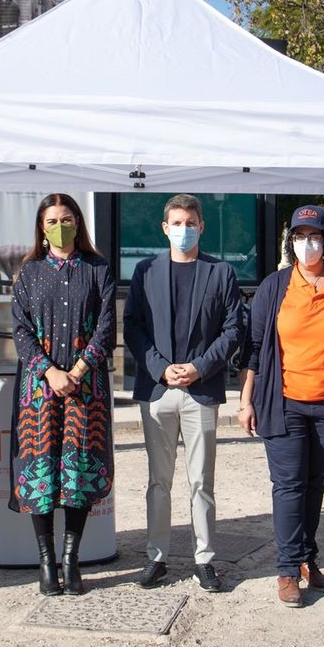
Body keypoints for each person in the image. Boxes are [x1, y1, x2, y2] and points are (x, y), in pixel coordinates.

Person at [239, 205, 324, 608]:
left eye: (314, 236)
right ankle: (288, 569)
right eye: (299, 236)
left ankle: (308, 557)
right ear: (291, 242)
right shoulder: (274, 287)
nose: (307, 244)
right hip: (285, 402)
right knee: (289, 486)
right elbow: (254, 350)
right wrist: (245, 401)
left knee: (314, 483)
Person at [125, 194, 245, 592]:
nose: (183, 229)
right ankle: (155, 557)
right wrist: (161, 367)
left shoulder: (221, 273)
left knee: (201, 481)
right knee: (158, 481)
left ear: (201, 225)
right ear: (165, 227)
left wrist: (199, 367)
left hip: (202, 389)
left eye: (190, 222)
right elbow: (134, 328)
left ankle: (204, 559)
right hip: (158, 389)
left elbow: (233, 329)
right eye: (176, 223)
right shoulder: (144, 272)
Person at [9, 194, 116, 596]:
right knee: (40, 474)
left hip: (85, 388)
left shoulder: (98, 269)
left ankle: (71, 560)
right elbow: (20, 330)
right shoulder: (29, 272)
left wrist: (78, 370)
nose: (59, 225)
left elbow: (106, 327)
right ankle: (45, 561)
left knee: (77, 473)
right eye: (52, 220)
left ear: (78, 223)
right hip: (39, 390)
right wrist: (50, 371)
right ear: (41, 226)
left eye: (67, 218)